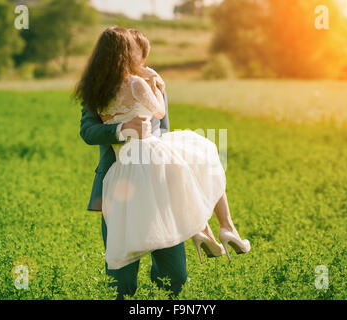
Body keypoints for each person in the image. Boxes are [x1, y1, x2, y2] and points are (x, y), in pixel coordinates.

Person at [76, 27, 250, 299]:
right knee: (120, 282)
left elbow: (164, 131)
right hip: (118, 190)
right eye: (137, 54)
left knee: (174, 277)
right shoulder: (95, 92)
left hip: (157, 186)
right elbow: (88, 132)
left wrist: (155, 88)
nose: (143, 62)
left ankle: (206, 228)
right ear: (122, 56)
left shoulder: (149, 82)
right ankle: (215, 227)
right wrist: (123, 128)